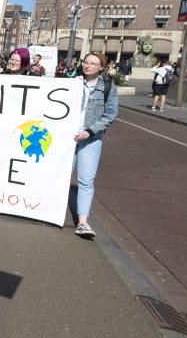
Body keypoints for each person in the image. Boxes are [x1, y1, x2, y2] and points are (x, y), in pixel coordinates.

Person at [73, 52, 118, 238]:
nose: (88, 65)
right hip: (68, 138)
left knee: (86, 180)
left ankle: (82, 222)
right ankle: (50, 210)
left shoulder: (107, 87)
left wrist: (90, 131)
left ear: (101, 67)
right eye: (86, 62)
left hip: (90, 139)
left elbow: (110, 114)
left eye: (93, 63)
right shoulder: (72, 83)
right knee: (59, 176)